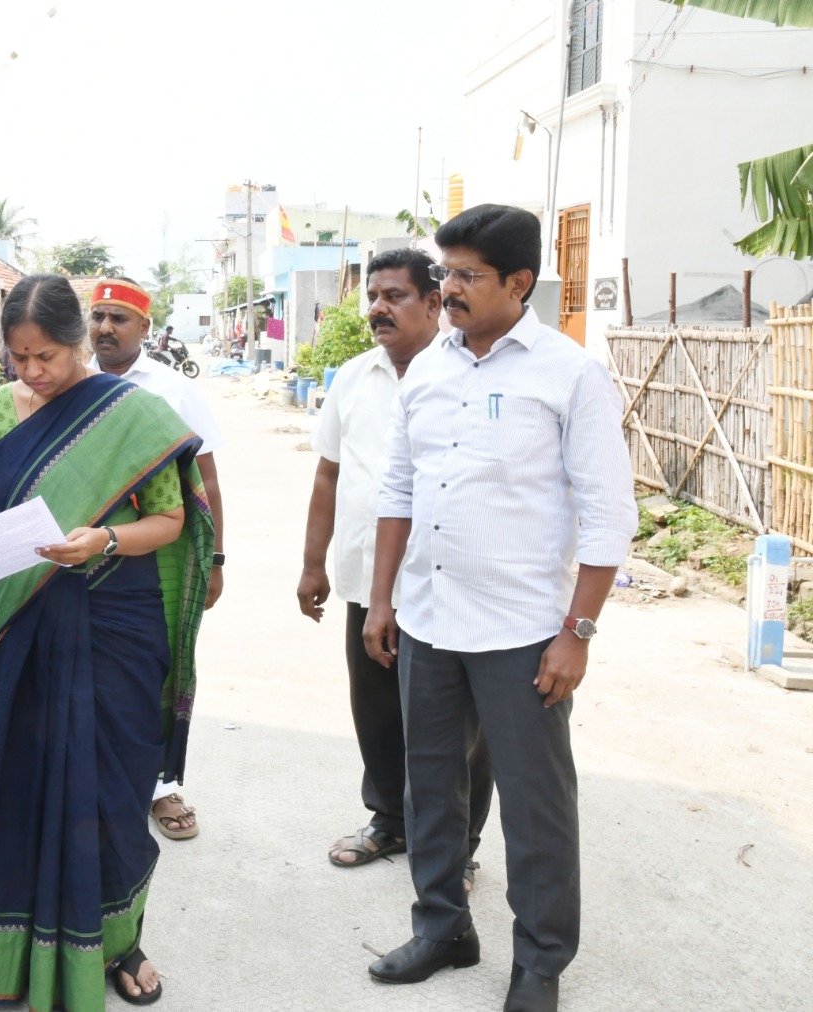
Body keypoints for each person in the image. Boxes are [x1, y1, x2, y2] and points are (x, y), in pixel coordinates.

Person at [362, 205, 637, 1012]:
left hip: (522, 632)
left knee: (534, 803)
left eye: (467, 276)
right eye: (446, 272)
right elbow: (399, 489)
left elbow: (608, 514)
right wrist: (381, 599)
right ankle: (443, 927)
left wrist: (577, 633)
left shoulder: (570, 374)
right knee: (430, 789)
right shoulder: (429, 370)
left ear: (520, 283)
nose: (448, 289)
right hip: (427, 619)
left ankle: (541, 961)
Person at [0, 274, 214, 1009]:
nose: (33, 372)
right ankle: (15, 954)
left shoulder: (130, 414)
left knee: (110, 792)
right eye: (19, 358)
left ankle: (119, 943)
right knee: (19, 786)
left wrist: (103, 539)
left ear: (78, 343)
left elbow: (169, 520)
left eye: (46, 356)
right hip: (22, 624)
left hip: (116, 625)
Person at [297, 249, 495, 883]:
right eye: (373, 297)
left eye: (394, 296)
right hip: (367, 580)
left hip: (446, 585)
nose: (378, 309)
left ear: (435, 304)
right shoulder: (354, 377)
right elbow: (329, 474)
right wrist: (313, 564)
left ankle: (458, 845)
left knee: (462, 728)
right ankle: (390, 821)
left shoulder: (466, 376)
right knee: (377, 709)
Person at [88, 276, 225, 842]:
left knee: (156, 667)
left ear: (145, 327)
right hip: (85, 554)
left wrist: (215, 559)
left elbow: (206, 479)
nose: (105, 329)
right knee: (92, 674)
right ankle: (96, 784)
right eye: (97, 317)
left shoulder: (172, 389)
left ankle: (159, 786)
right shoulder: (71, 384)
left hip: (162, 552)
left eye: (119, 319)